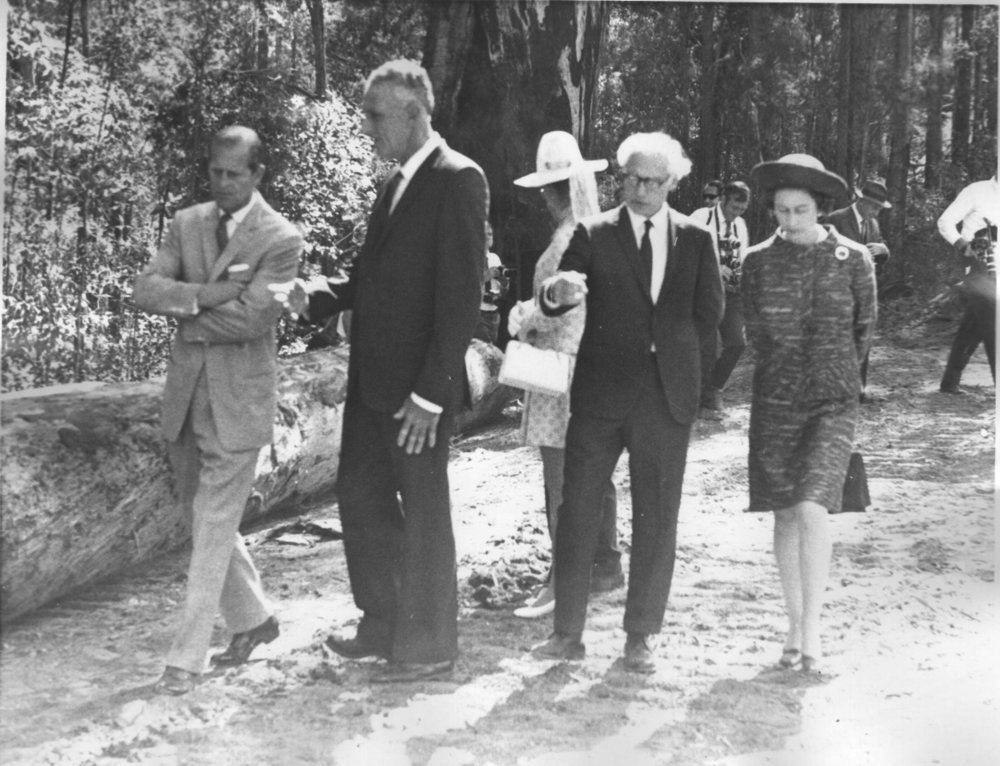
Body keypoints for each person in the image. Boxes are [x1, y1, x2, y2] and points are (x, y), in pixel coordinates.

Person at [272, 60, 488, 683]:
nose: (366, 128)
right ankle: (381, 623)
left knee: (422, 512)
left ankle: (428, 646)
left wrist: (431, 392)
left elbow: (460, 300)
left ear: (416, 115)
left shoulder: (458, 179)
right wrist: (315, 293)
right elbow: (375, 278)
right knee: (360, 497)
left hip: (417, 391)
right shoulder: (395, 183)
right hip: (371, 384)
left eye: (375, 116)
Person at [532, 132, 724, 673]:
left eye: (653, 181)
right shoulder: (594, 233)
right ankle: (566, 633)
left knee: (657, 518)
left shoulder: (695, 238)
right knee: (577, 514)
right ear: (621, 177)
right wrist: (559, 293)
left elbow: (709, 317)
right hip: (600, 397)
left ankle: (641, 635)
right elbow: (556, 295)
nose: (640, 189)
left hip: (666, 400)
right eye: (632, 178)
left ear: (672, 183)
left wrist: (687, 378)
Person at [133, 126, 303, 695]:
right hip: (186, 398)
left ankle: (186, 659)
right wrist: (208, 295)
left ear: (258, 175)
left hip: (239, 404)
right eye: (215, 172)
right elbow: (146, 290)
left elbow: (256, 319)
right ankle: (255, 619)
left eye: (235, 173)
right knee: (200, 515)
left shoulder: (280, 238)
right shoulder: (186, 222)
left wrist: (187, 308)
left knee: (210, 526)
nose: (223, 182)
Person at [742, 153, 876, 673]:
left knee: (813, 507)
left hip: (833, 401)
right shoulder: (757, 262)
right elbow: (755, 333)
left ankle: (813, 631)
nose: (790, 221)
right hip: (775, 401)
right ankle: (792, 629)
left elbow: (864, 331)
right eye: (780, 211)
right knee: (784, 511)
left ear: (820, 208)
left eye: (800, 210)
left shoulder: (854, 259)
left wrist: (836, 377)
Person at [506, 130, 623, 620]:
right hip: (593, 367)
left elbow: (560, 310)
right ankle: (604, 564)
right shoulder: (598, 230)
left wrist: (524, 317)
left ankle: (562, 577)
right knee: (595, 474)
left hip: (561, 372)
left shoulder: (566, 240)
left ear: (549, 191)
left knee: (561, 481)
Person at [824, 179, 892, 397]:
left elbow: (878, 254)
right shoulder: (837, 219)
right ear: (861, 201)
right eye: (874, 206)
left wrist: (883, 249)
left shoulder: (873, 224)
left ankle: (858, 388)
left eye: (880, 208)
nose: (877, 211)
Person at [691, 180, 751, 418]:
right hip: (704, 290)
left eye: (741, 210)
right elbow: (682, 249)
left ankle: (713, 388)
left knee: (737, 342)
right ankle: (702, 403)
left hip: (732, 292)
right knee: (706, 347)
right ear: (723, 199)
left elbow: (742, 255)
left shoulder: (741, 225)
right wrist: (714, 266)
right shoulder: (701, 217)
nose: (736, 214)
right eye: (733, 208)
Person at [936, 175, 998, 392]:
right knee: (993, 324)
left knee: (973, 326)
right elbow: (945, 221)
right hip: (977, 266)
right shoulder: (976, 190)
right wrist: (962, 244)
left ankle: (949, 381)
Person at [473, 223, 508, 345]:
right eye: (485, 233)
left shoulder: (494, 257)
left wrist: (503, 284)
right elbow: (466, 286)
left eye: (490, 234)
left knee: (492, 349)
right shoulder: (472, 258)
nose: (488, 236)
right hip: (478, 313)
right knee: (483, 350)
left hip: (494, 312)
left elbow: (502, 284)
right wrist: (485, 277)